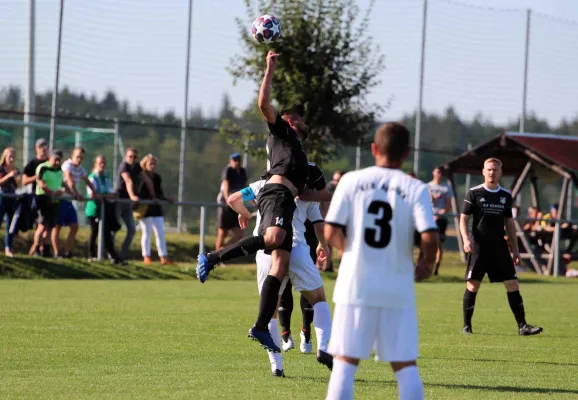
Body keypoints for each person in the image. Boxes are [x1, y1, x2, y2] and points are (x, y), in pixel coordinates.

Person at [197, 50, 329, 353]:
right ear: (288, 121)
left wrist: (244, 208)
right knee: (272, 238)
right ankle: (211, 258)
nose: (303, 120)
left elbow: (308, 195)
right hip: (276, 194)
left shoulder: (298, 151)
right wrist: (269, 68)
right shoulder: (282, 132)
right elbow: (262, 103)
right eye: (299, 117)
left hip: (281, 196)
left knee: (280, 265)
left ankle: (260, 326)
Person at [323, 122, 439, 400]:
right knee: (405, 367)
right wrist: (426, 263)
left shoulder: (350, 180)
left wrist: (346, 251)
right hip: (397, 288)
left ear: (374, 149)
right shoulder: (415, 187)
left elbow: (331, 230)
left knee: (344, 363)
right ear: (407, 153)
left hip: (355, 285)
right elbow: (430, 235)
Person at [228, 162, 333, 376]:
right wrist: (323, 244)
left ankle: (277, 366)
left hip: (267, 250)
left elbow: (233, 199)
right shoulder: (303, 192)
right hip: (297, 249)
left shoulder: (262, 185)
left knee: (271, 311)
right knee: (319, 299)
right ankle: (322, 348)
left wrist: (246, 214)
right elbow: (318, 222)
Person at [459, 158, 543, 336]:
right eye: (489, 169)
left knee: (513, 283)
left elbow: (510, 224)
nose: (492, 172)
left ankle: (523, 326)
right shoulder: (474, 193)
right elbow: (463, 219)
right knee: (473, 285)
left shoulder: (505, 195)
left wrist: (516, 249)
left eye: (495, 170)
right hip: (479, 246)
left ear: (500, 172)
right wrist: (466, 240)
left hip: (499, 247)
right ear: (483, 171)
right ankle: (467, 326)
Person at [56, 147, 97, 258]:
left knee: (74, 226)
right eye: (78, 157)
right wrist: (76, 194)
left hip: (69, 200)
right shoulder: (67, 165)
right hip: (60, 199)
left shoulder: (81, 168)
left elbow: (88, 181)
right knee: (57, 226)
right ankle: (57, 252)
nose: (79, 160)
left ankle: (67, 252)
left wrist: (95, 192)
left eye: (82, 158)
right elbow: (69, 180)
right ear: (72, 156)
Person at [116, 148, 155, 260]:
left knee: (132, 230)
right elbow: (128, 181)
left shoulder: (137, 167)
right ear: (126, 157)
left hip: (128, 202)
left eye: (134, 157)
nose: (132, 159)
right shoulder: (124, 166)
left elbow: (146, 180)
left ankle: (122, 255)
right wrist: (133, 196)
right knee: (114, 228)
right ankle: (109, 253)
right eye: (130, 156)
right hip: (120, 200)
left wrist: (153, 196)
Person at [85, 155, 123, 264]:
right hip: (94, 209)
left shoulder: (106, 176)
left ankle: (113, 256)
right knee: (95, 232)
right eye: (100, 163)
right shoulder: (92, 177)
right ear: (95, 164)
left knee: (107, 232)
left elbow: (108, 191)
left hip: (105, 208)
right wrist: (105, 195)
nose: (102, 165)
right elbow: (92, 194)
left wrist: (110, 195)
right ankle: (91, 255)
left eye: (104, 163)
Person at [30, 150, 67, 257]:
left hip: (54, 202)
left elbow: (62, 183)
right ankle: (37, 249)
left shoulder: (59, 169)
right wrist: (52, 193)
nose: (57, 162)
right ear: (50, 157)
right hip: (43, 200)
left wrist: (70, 192)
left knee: (50, 227)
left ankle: (46, 250)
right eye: (56, 159)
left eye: (59, 160)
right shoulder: (42, 167)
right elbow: (41, 183)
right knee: (41, 226)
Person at [138, 154, 174, 265]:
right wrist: (149, 199)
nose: (152, 166)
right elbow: (139, 192)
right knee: (147, 233)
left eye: (154, 164)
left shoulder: (157, 177)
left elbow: (159, 193)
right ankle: (146, 256)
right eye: (150, 164)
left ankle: (163, 257)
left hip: (156, 209)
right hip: (146, 209)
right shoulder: (141, 176)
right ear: (145, 164)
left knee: (160, 233)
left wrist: (166, 199)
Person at [22, 138, 50, 256]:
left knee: (47, 227)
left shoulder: (50, 163)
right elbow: (24, 181)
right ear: (36, 148)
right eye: (40, 146)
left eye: (45, 146)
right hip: (37, 198)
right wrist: (37, 177)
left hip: (49, 198)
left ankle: (42, 252)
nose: (43, 149)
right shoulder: (32, 164)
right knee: (41, 226)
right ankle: (38, 251)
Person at [215, 153, 248, 251]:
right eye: (234, 160)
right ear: (230, 161)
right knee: (222, 232)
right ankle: (216, 259)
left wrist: (253, 201)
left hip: (236, 205)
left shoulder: (242, 171)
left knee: (239, 234)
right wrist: (228, 201)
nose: (237, 162)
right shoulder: (228, 170)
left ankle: (221, 252)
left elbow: (246, 188)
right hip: (225, 205)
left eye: (238, 160)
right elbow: (226, 187)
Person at [427, 167, 453, 275]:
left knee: (439, 244)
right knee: (427, 243)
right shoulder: (427, 186)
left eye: (441, 173)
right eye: (437, 172)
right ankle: (425, 266)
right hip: (428, 218)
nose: (439, 174)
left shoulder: (446, 188)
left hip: (441, 219)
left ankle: (436, 268)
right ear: (433, 172)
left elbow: (448, 205)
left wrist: (441, 213)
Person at [0, 147, 21, 257]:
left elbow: (17, 185)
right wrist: (9, 175)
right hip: (2, 197)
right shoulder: (1, 169)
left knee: (10, 225)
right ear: (5, 157)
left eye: (13, 157)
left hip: (11, 198)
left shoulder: (16, 170)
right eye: (10, 156)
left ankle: (8, 248)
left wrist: (17, 180)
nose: (12, 159)